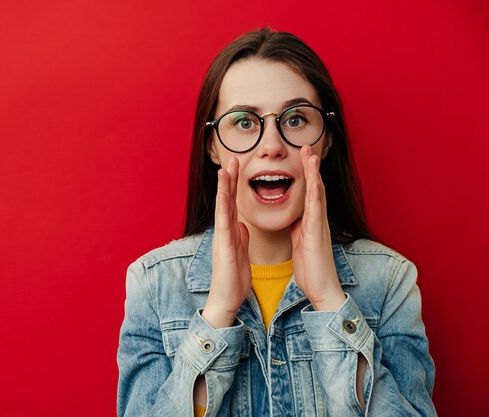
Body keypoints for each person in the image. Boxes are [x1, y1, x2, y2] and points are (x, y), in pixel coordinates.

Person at [117, 28, 436, 417]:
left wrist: (330, 302)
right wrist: (218, 314)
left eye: (296, 119)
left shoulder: (390, 281)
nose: (272, 145)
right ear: (213, 145)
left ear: (327, 139)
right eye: (245, 122)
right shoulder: (154, 284)